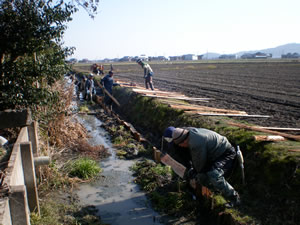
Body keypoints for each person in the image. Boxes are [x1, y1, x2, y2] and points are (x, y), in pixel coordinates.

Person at [163, 126, 241, 207]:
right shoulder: (187, 135)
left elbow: (200, 163)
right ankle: (216, 191)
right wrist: (194, 171)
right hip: (212, 154)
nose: (181, 147)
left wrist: (194, 172)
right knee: (201, 177)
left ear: (184, 141)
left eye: (180, 144)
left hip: (225, 153)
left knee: (214, 174)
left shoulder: (196, 143)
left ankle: (234, 197)